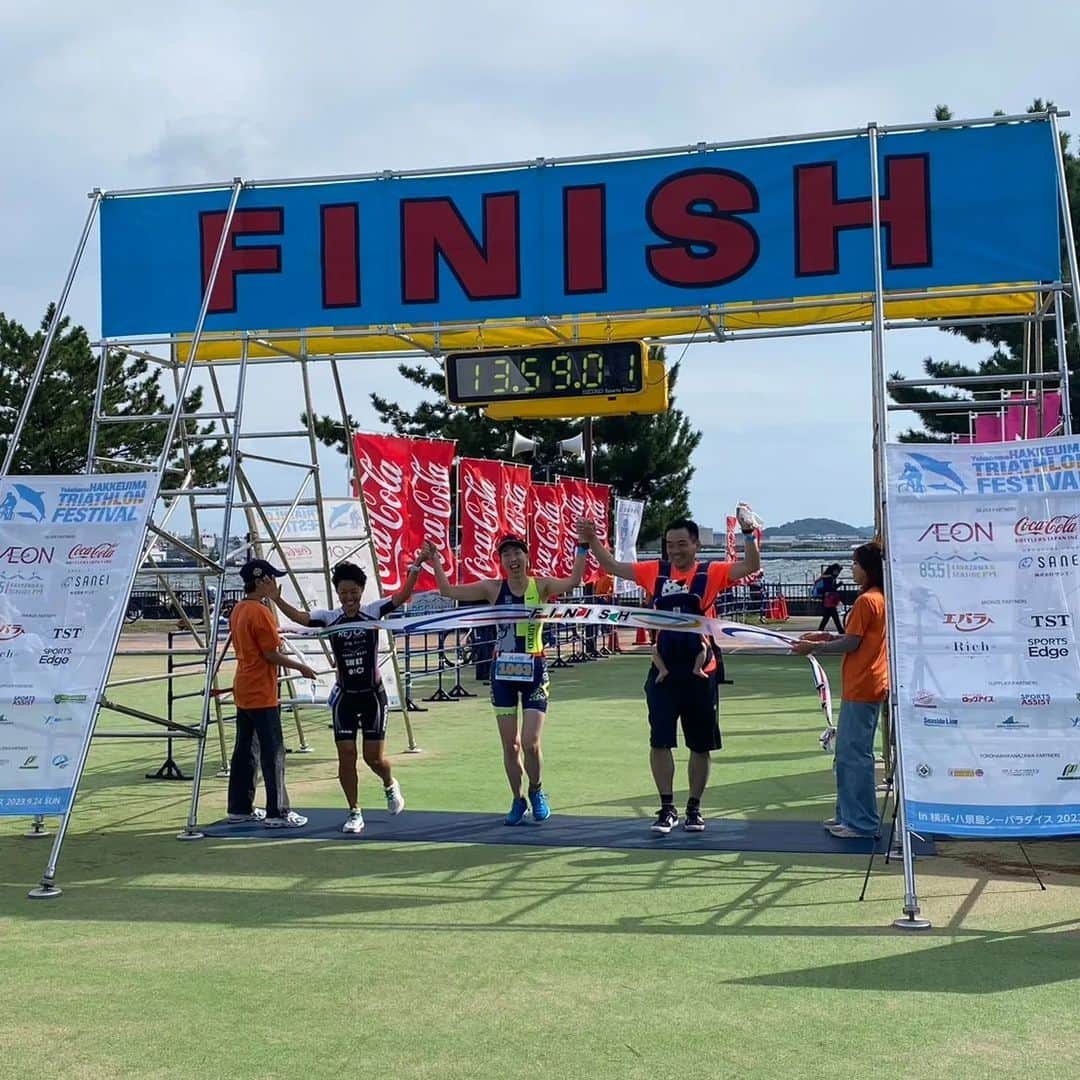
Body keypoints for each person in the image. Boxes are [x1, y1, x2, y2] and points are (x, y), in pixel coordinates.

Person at [581, 506, 761, 834]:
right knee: (660, 740)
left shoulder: (712, 573)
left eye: (682, 544)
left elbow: (750, 566)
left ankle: (694, 808)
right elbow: (611, 566)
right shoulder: (655, 572)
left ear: (696, 545)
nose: (675, 550)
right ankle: (666, 808)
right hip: (663, 670)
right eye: (669, 544)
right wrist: (592, 540)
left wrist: (748, 533)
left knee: (700, 744)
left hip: (700, 670)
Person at [422, 531, 587, 825]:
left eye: (517, 553)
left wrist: (583, 547)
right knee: (510, 746)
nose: (513, 559)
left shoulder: (542, 585)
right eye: (506, 555)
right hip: (503, 675)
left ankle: (537, 791)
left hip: (535, 670)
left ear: (527, 557)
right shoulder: (492, 588)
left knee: (530, 742)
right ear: (500, 561)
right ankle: (517, 798)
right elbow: (448, 591)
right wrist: (436, 560)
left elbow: (574, 582)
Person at [271, 551, 427, 833]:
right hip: (344, 695)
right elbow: (301, 617)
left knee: (373, 758)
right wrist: (276, 598)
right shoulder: (329, 618)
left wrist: (416, 567)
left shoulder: (374, 611)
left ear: (361, 591)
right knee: (346, 755)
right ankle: (354, 812)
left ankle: (390, 784)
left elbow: (402, 595)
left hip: (372, 695)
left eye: (353, 592)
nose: (349, 598)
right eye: (343, 593)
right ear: (338, 594)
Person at [791, 542, 888, 839]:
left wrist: (816, 646)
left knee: (854, 755)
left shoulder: (867, 600)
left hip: (864, 685)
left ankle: (862, 822)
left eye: (856, 564)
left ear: (869, 568)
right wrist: (826, 636)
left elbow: (853, 643)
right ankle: (848, 815)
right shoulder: (877, 599)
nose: (852, 568)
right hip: (865, 683)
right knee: (847, 753)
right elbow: (854, 637)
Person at [226, 558, 319, 829]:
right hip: (261, 691)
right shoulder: (260, 612)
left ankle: (239, 807)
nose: (275, 584)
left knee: (245, 749)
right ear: (262, 581)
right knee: (273, 751)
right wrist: (300, 666)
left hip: (243, 687)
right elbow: (270, 653)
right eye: (272, 580)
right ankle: (277, 811)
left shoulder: (238, 609)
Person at [812, 562, 843, 633]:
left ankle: (821, 630)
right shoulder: (829, 578)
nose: (838, 573)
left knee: (827, 617)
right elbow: (829, 588)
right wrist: (839, 585)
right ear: (834, 570)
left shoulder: (826, 577)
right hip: (829, 600)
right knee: (833, 616)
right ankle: (840, 631)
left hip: (827, 599)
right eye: (838, 571)